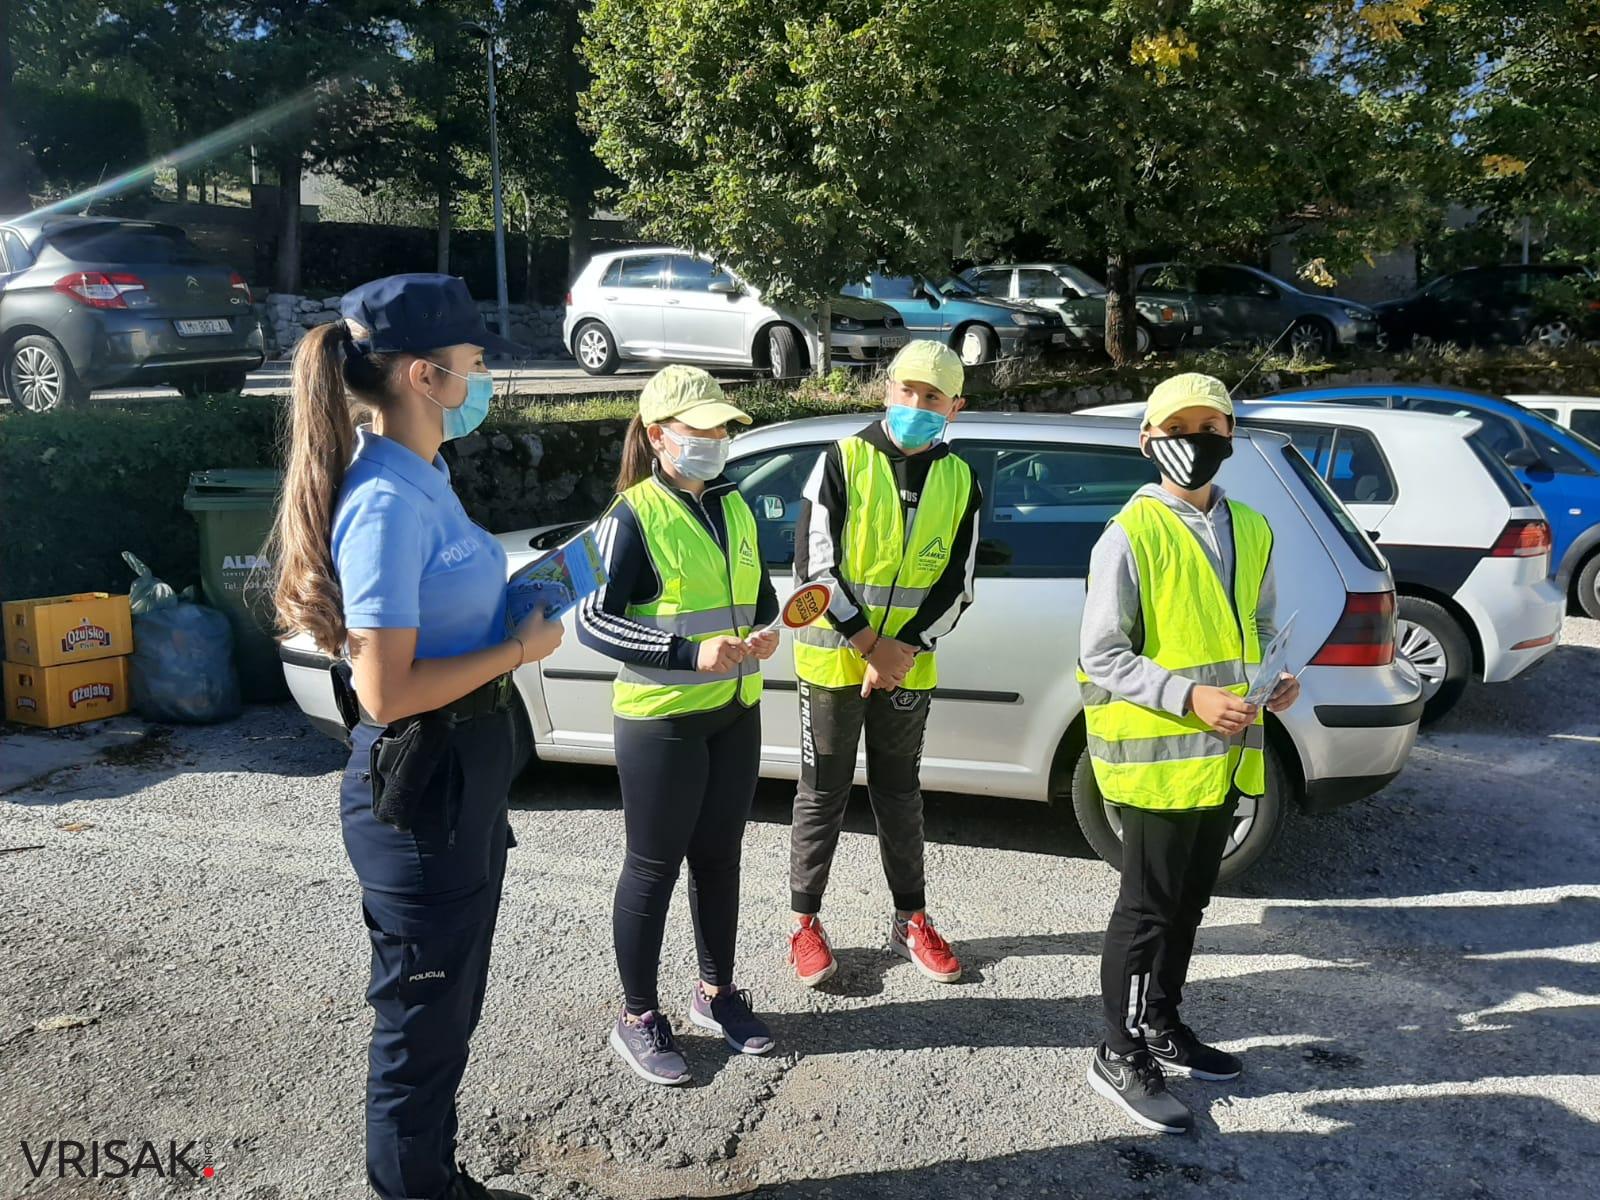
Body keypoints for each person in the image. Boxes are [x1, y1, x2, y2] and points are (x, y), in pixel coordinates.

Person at [270, 274, 563, 1200]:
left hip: (463, 779)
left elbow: (442, 616)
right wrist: (518, 650)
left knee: (448, 1017)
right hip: (420, 789)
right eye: (474, 363)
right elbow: (385, 691)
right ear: (423, 375)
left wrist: (518, 604)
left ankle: (437, 1178)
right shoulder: (385, 502)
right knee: (419, 1032)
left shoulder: (424, 475)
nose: (484, 381)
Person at [1077, 372, 1300, 1135]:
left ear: (1230, 437)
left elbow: (1259, 627)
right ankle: (1118, 1050)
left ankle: (1164, 1023)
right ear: (1149, 440)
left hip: (1226, 756)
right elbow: (1102, 654)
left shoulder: (1254, 528)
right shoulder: (1130, 534)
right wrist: (1191, 698)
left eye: (1211, 427)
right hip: (1157, 764)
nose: (1196, 441)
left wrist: (1273, 678)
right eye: (1179, 428)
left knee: (1190, 903)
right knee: (1147, 910)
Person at [577, 365, 781, 1086]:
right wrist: (688, 653)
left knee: (720, 857)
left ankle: (716, 993)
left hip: (734, 710)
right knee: (653, 867)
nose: (717, 439)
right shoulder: (629, 515)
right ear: (659, 436)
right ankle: (637, 1016)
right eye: (702, 429)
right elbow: (593, 620)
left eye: (722, 427)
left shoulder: (734, 504)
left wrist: (764, 632)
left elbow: (759, 598)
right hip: (662, 720)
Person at [785, 340, 982, 988]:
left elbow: (959, 585)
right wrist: (870, 644)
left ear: (955, 407)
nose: (917, 405)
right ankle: (804, 923)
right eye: (908, 391)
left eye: (933, 397)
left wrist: (903, 650)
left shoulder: (962, 481)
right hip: (833, 664)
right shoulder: (841, 460)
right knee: (823, 794)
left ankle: (911, 920)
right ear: (886, 389)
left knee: (899, 795)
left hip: (907, 669)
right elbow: (814, 570)